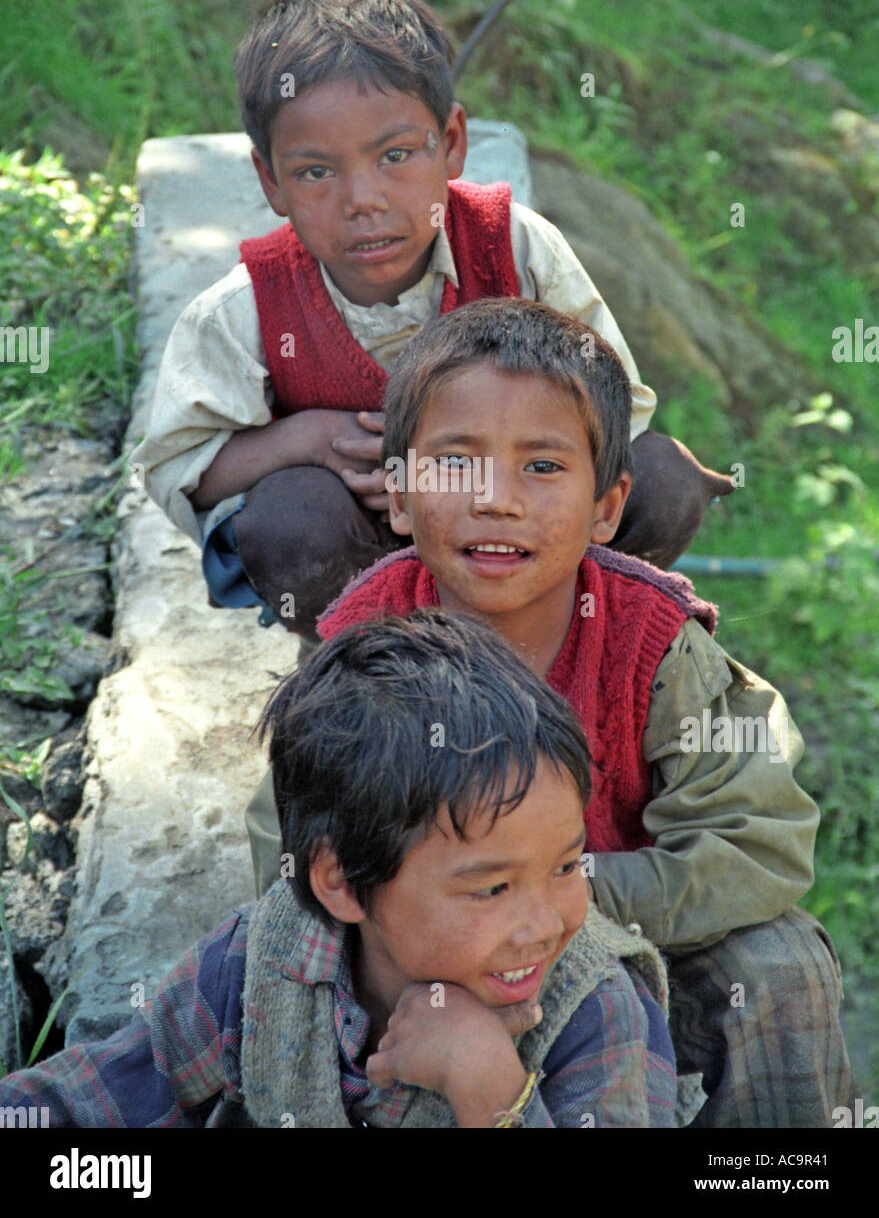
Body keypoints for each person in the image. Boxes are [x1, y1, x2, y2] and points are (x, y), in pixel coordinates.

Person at [247, 299, 854, 1128]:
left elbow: (755, 842)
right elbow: (287, 846)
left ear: (607, 508)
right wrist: (426, 933)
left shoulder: (654, 644)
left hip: (638, 936)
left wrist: (546, 902)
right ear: (396, 494)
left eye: (542, 467)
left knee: (781, 967)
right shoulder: (365, 641)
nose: (497, 500)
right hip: (439, 965)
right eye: (458, 463)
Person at [132, 0, 732, 638]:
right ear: (270, 181)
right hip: (367, 554)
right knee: (286, 520)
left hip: (518, 520)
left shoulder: (514, 249)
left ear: (449, 144)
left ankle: (568, 636)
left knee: (658, 476)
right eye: (316, 172)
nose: (363, 198)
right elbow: (184, 469)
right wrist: (306, 438)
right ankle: (376, 661)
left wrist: (493, 468)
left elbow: (614, 401)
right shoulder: (245, 309)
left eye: (394, 155)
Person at [0, 612, 676, 1129]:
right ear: (343, 882)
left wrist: (491, 1091)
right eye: (491, 887)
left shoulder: (590, 1011)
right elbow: (108, 1094)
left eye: (565, 866)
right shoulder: (259, 966)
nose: (543, 923)